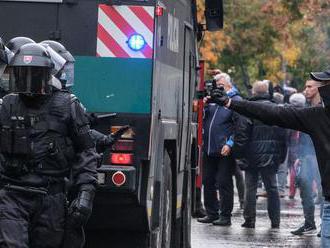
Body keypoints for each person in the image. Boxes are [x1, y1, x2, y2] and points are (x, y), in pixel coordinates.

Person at [210, 68, 330, 247]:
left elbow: (274, 113)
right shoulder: (317, 116)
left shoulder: (319, 116)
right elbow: (273, 112)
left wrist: (230, 103)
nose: (320, 90)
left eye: (324, 85)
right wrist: (230, 102)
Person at [0, 43, 98, 247]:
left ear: (46, 75)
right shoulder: (7, 105)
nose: (27, 82)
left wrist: (85, 193)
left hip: (51, 197)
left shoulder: (68, 106)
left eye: (33, 74)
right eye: (22, 74)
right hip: (13, 194)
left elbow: (86, 151)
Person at [235, 80, 286, 229]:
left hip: (251, 156)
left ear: (254, 92)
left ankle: (249, 220)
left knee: (250, 188)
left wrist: (239, 154)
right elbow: (283, 134)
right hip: (271, 156)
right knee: (272, 188)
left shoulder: (248, 109)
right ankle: (275, 221)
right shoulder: (277, 108)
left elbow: (242, 135)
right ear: (267, 93)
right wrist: (281, 156)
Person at [197, 73, 242, 226]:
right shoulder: (212, 100)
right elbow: (202, 120)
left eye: (221, 85)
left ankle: (225, 216)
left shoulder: (235, 100)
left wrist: (230, 143)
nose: (218, 88)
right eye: (216, 85)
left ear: (228, 85)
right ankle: (211, 213)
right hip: (209, 148)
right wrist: (203, 105)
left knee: (224, 182)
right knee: (208, 181)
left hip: (224, 149)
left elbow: (239, 126)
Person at [287, 93, 318, 235]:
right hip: (306, 156)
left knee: (324, 194)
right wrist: (300, 156)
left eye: (309, 87)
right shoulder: (307, 110)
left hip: (321, 157)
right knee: (305, 192)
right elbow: (303, 135)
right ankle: (309, 223)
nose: (306, 91)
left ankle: (326, 225)